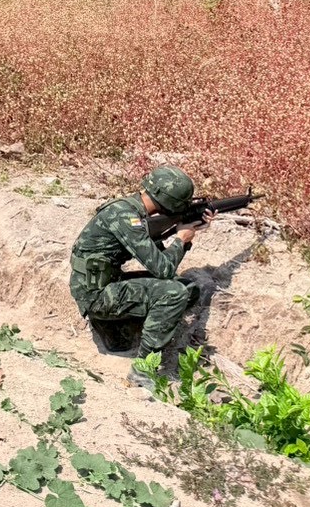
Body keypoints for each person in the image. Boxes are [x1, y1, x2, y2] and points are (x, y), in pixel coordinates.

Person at [69, 165, 211, 390]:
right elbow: (162, 269)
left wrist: (184, 233)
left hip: (103, 284)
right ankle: (142, 371)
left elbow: (156, 256)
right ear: (171, 203)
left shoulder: (131, 210)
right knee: (174, 294)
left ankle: (115, 328)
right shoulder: (127, 217)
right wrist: (181, 239)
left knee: (188, 288)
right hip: (96, 295)